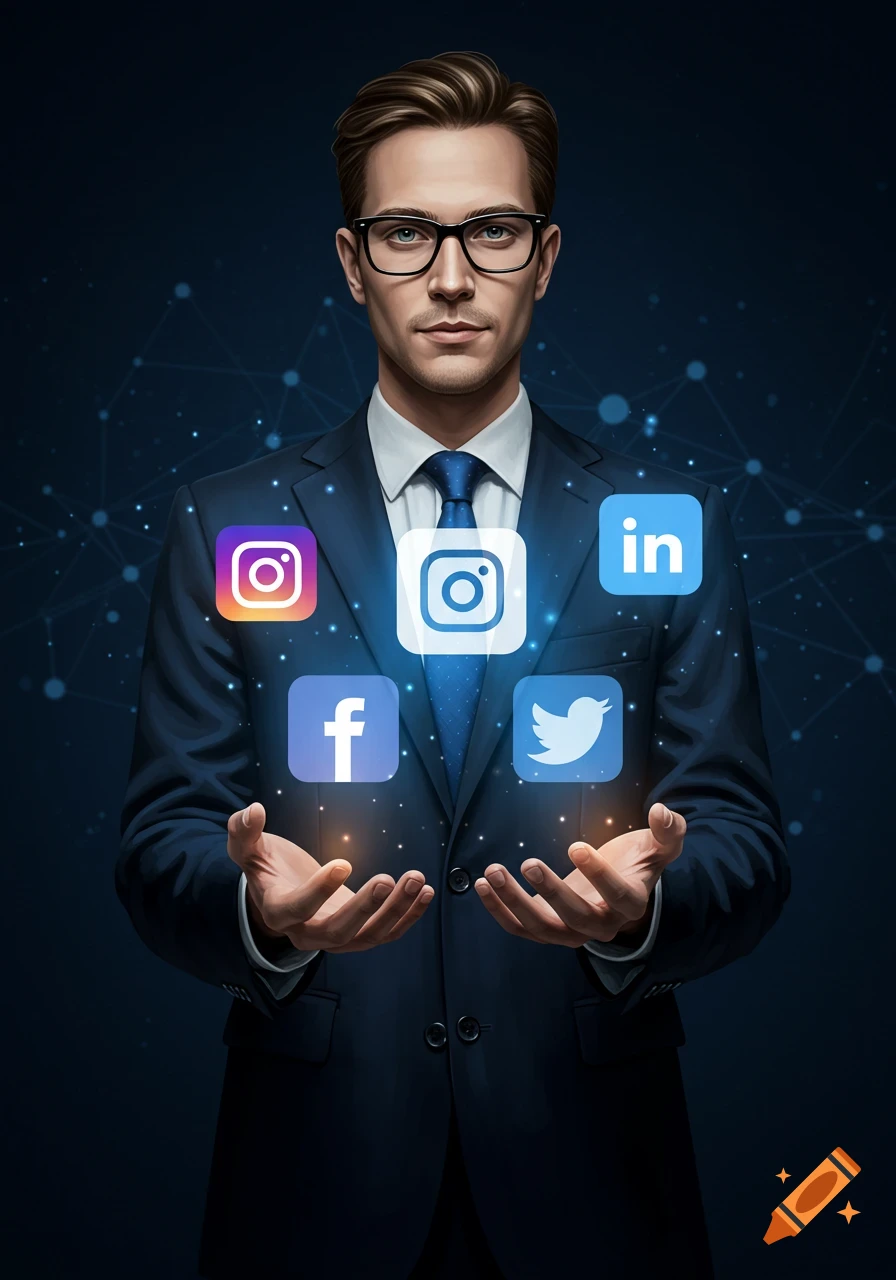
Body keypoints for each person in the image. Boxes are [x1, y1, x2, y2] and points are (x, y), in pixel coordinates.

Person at [116, 50, 790, 1280]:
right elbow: (162, 834)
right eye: (404, 234)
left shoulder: (663, 519)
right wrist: (258, 914)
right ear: (349, 261)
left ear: (544, 255)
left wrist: (642, 911)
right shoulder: (231, 523)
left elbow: (741, 834)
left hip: (595, 1178)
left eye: (490, 230)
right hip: (314, 1179)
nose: (448, 276)